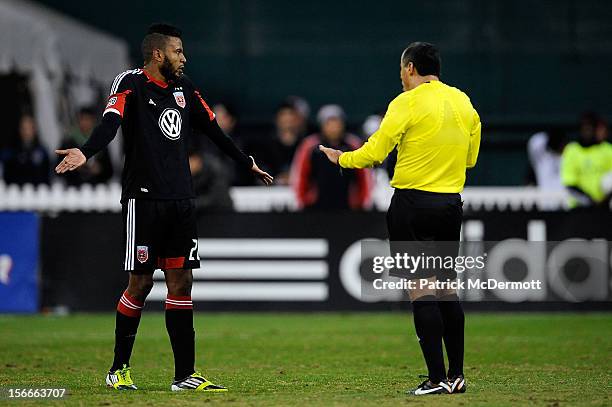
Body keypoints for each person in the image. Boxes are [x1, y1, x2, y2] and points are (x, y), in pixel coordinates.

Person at [55, 23, 272, 392]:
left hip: (181, 201)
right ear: (158, 54)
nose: (184, 57)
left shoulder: (185, 89)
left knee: (182, 282)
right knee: (139, 284)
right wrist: (87, 151)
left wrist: (244, 160)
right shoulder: (130, 83)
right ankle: (118, 369)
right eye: (177, 51)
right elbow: (111, 121)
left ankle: (184, 375)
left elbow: (214, 129)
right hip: (144, 199)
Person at [320, 42, 481, 395]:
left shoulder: (406, 102)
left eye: (401, 71)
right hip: (450, 204)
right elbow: (470, 158)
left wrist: (341, 159)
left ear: (410, 69)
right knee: (446, 288)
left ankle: (437, 379)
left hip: (412, 204)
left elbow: (375, 152)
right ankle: (456, 375)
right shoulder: (463, 102)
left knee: (420, 288)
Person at [290, 104, 372, 210]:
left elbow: (364, 176)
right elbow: (300, 175)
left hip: (349, 209)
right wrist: (303, 202)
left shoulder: (353, 144)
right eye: (329, 123)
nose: (333, 127)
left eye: (337, 123)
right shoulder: (309, 146)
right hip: (315, 209)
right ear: (322, 125)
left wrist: (362, 203)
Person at [561, 112, 612, 208]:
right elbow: (569, 184)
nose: (587, 130)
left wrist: (604, 202)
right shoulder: (571, 150)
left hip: (605, 208)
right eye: (584, 127)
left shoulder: (608, 150)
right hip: (579, 208)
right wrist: (590, 201)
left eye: (590, 127)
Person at [57, 107, 114, 186]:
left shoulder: (101, 141)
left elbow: (110, 170)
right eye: (83, 119)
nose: (85, 123)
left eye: (88, 119)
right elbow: (58, 169)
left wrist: (99, 169)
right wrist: (74, 168)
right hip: (74, 188)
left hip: (97, 188)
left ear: (93, 121)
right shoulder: (69, 142)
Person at [2, 114, 50, 185]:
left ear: (34, 130)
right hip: (16, 191)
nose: (26, 132)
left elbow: (47, 173)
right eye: (24, 128)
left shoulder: (42, 151)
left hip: (39, 191)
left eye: (29, 128)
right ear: (19, 130)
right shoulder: (12, 151)